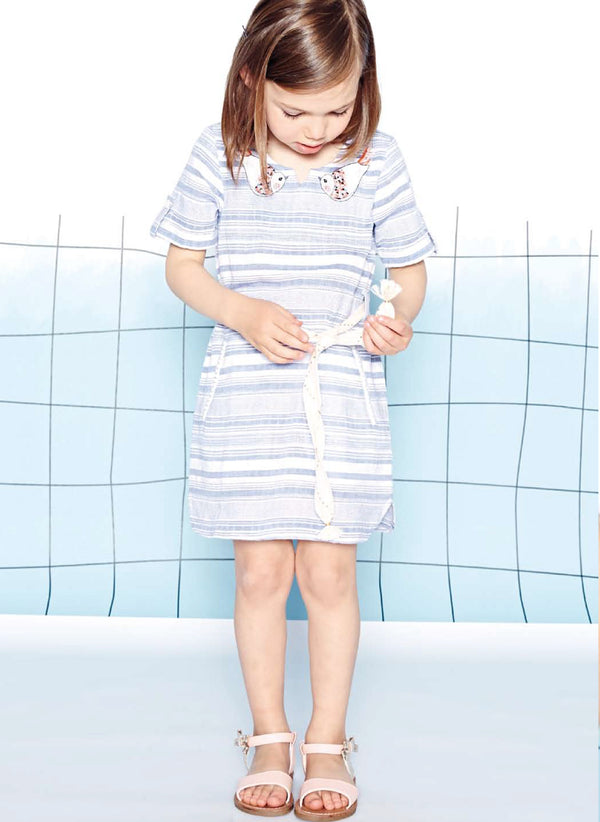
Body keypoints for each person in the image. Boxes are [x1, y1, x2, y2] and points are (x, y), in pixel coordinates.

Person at [149, 1, 437, 817]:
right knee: (261, 571)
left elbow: (409, 272)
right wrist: (241, 312)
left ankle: (328, 741)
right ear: (252, 80)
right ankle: (270, 737)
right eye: (296, 111)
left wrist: (398, 319)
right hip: (249, 393)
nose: (317, 130)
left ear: (363, 87)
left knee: (329, 570)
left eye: (337, 110)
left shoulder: (377, 160)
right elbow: (182, 266)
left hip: (339, 390)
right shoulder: (221, 155)